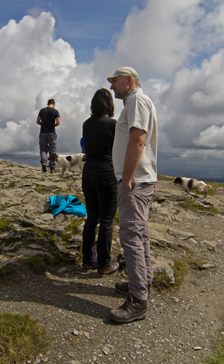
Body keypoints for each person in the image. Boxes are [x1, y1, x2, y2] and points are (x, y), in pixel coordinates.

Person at [108, 67, 158, 324]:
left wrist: (126, 177)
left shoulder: (137, 100)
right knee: (140, 234)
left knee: (131, 237)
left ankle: (138, 300)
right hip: (139, 180)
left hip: (134, 182)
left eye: (114, 80)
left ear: (129, 80)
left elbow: (138, 140)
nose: (112, 86)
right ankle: (143, 282)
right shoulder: (135, 101)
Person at [79, 88, 118, 276]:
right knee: (106, 221)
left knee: (91, 218)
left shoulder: (86, 124)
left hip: (88, 173)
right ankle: (104, 264)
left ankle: (88, 260)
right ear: (109, 105)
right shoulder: (113, 124)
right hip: (106, 172)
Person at [39, 99, 62, 172]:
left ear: (47, 104)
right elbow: (58, 122)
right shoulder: (55, 111)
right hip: (51, 132)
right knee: (52, 150)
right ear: (54, 104)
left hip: (43, 132)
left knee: (43, 149)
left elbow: (37, 121)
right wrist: (53, 125)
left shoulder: (42, 111)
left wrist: (42, 124)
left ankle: (43, 161)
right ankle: (52, 168)